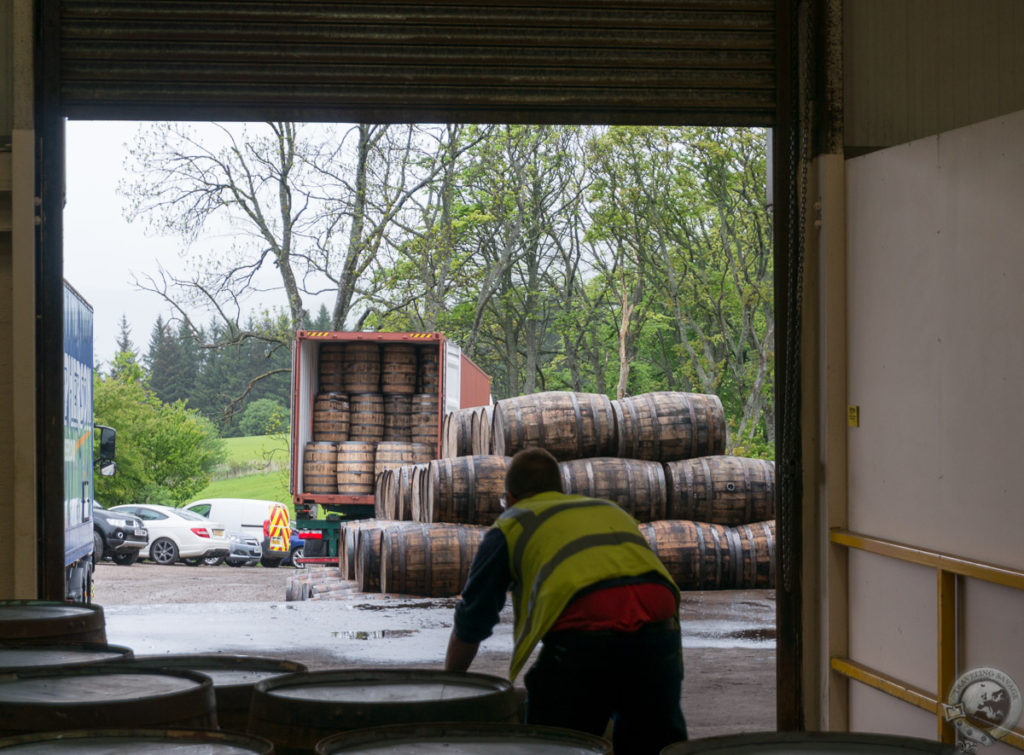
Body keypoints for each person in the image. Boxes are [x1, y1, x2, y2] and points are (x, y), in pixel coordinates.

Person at [444, 446, 688, 755]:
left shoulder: (512, 524)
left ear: (511, 498)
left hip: (585, 639)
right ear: (560, 490)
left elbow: (473, 620)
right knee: (656, 745)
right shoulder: (608, 509)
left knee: (554, 741)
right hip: (661, 631)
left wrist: (448, 687)